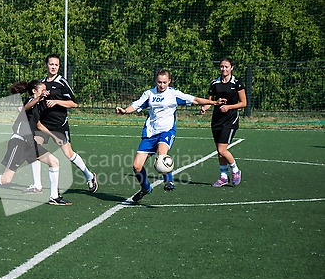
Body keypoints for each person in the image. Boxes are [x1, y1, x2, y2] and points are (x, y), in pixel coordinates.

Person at [115, 69, 223, 202]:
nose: (162, 85)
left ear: (169, 81)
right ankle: (145, 188)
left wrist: (213, 103)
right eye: (159, 82)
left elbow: (194, 100)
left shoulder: (173, 94)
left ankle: (169, 181)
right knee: (137, 166)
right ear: (156, 81)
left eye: (164, 82)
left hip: (166, 130)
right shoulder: (149, 94)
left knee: (162, 153)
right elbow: (136, 105)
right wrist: (125, 111)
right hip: (150, 132)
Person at [0, 80, 72, 206]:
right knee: (5, 179)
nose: (46, 92)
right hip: (19, 142)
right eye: (43, 89)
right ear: (34, 91)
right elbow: (25, 108)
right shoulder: (30, 100)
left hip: (30, 143)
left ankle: (54, 197)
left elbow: (38, 124)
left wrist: (54, 136)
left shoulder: (38, 105)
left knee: (54, 162)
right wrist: (39, 98)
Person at [24, 54, 98, 194]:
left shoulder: (62, 82)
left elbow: (74, 103)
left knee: (68, 154)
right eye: (51, 64)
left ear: (59, 67)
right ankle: (37, 185)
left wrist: (57, 101)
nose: (53, 67)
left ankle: (89, 175)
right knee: (34, 150)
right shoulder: (42, 83)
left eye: (56, 65)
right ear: (46, 65)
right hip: (43, 124)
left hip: (59, 125)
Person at [200, 57, 247, 187]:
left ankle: (236, 170)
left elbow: (244, 103)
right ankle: (223, 176)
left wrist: (229, 107)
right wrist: (205, 107)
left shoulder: (237, 83)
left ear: (231, 68)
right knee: (219, 151)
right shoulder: (215, 83)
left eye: (226, 67)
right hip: (216, 120)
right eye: (222, 66)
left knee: (222, 150)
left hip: (230, 120)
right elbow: (210, 101)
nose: (224, 69)